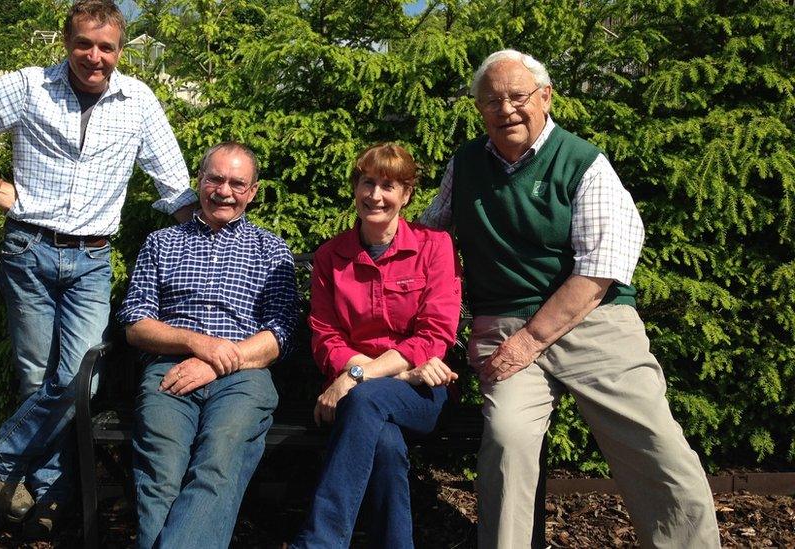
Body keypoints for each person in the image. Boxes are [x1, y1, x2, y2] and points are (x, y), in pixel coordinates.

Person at [421, 49, 720, 548]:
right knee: (506, 442)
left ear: (545, 97)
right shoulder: (467, 163)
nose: (506, 109)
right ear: (479, 110)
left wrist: (530, 341)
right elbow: (429, 235)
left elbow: (600, 271)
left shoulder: (584, 163)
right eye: (491, 100)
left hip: (593, 323)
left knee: (657, 447)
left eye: (518, 96)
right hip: (505, 326)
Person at [0, 0, 196, 536]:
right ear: (66, 43)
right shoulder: (30, 87)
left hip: (92, 259)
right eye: (84, 44)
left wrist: (211, 235)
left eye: (107, 46)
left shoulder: (138, 102)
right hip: (28, 251)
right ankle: (47, 501)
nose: (95, 56)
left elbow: (174, 182)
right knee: (33, 379)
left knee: (77, 381)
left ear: (120, 49)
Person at [117, 142, 298, 549]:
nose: (224, 191)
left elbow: (281, 333)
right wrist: (196, 343)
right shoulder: (162, 243)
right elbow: (135, 324)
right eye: (215, 178)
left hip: (244, 377)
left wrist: (218, 363)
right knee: (161, 472)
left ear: (252, 192)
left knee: (219, 459)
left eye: (238, 183)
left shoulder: (271, 250)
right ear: (199, 182)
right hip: (170, 372)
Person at [288, 143, 462, 548]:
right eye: (368, 182)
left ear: (406, 195)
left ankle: (319, 542)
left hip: (421, 392)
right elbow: (325, 335)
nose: (376, 195)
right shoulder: (332, 257)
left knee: (365, 401)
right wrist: (392, 371)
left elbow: (435, 333)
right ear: (355, 188)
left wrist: (356, 376)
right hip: (381, 385)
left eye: (389, 185)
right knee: (383, 441)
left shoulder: (433, 247)